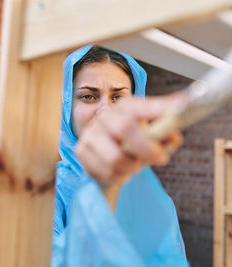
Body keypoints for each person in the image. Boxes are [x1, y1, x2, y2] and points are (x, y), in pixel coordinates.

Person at [51, 45, 189, 266]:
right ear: (67, 106)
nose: (105, 111)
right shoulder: (44, 193)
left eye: (118, 97)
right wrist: (101, 190)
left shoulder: (157, 200)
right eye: (88, 96)